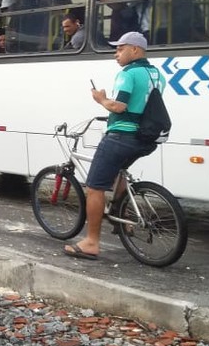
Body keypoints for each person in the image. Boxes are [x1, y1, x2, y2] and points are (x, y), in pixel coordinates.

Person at [62, 31, 165, 260]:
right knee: (119, 173)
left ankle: (91, 242)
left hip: (121, 137)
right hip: (145, 139)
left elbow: (119, 106)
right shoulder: (156, 74)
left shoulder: (127, 74)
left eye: (120, 49)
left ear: (135, 50)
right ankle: (123, 220)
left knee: (95, 187)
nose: (116, 54)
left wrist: (101, 99)